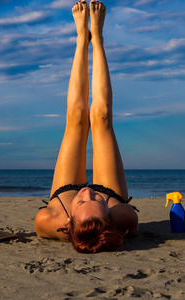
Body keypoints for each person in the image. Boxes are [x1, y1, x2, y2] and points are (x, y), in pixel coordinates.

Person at [34, 0, 138, 253]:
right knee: (101, 116)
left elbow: (79, 206)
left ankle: (82, 39)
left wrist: (75, 202)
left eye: (82, 202)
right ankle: (98, 38)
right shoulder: (124, 217)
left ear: (68, 223)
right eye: (98, 200)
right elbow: (107, 215)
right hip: (110, 195)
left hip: (62, 197)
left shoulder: (47, 221)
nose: (88, 191)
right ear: (110, 217)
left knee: (76, 117)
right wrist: (106, 200)